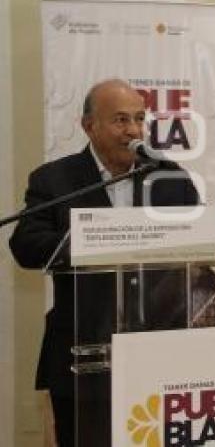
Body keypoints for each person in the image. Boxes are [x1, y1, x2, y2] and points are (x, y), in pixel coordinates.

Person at [9, 79, 201, 447]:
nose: (133, 131)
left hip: (160, 350)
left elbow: (199, 239)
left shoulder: (169, 176)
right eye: (120, 120)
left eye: (139, 119)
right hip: (83, 353)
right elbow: (26, 245)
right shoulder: (55, 179)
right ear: (89, 125)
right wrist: (90, 241)